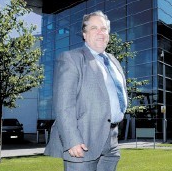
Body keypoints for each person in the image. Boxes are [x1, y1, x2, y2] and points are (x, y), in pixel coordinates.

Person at [44, 10, 127, 171]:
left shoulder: (113, 60)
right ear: (84, 34)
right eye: (94, 28)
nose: (100, 32)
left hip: (112, 141)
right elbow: (64, 104)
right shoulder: (71, 58)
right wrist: (71, 140)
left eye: (103, 29)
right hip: (82, 141)